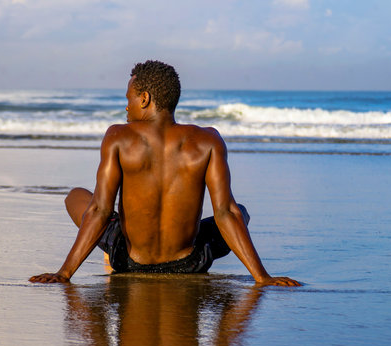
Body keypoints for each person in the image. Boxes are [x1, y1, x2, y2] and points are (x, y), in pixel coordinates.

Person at [29, 60, 300, 287]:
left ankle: (116, 245)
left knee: (76, 196)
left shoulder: (118, 137)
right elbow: (225, 213)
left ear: (144, 99)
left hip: (129, 261)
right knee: (239, 209)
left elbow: (99, 210)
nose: (126, 107)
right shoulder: (208, 140)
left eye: (129, 99)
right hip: (190, 263)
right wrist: (262, 277)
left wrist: (64, 273)